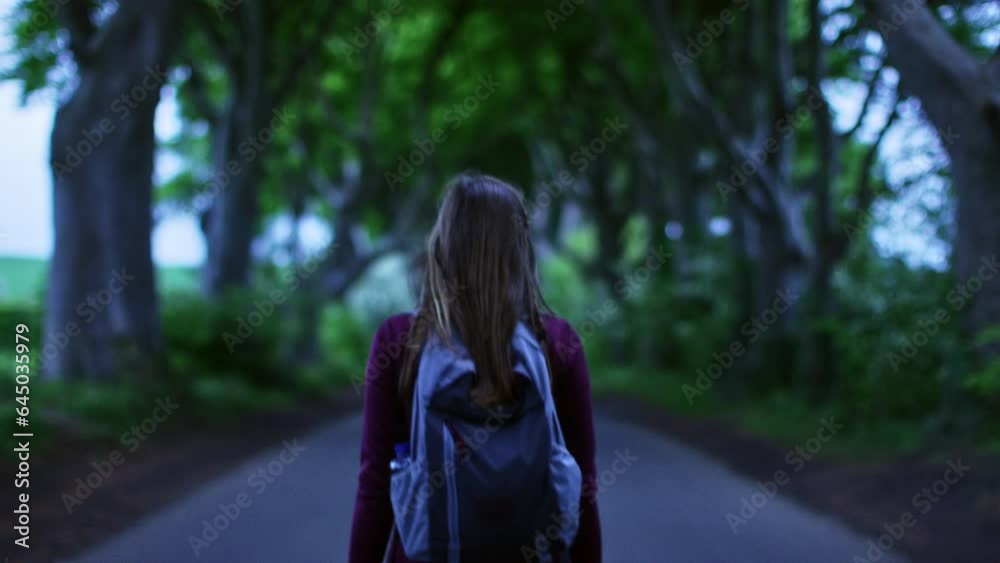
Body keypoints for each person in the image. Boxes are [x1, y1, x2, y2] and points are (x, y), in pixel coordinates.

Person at [348, 173, 602, 562]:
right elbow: (582, 485)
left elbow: (375, 484)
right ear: (521, 250)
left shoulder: (399, 340)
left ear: (442, 245)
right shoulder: (559, 342)